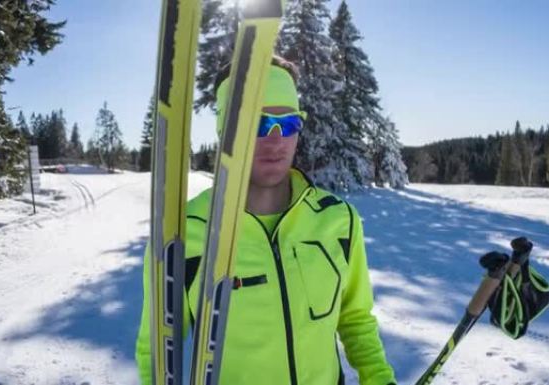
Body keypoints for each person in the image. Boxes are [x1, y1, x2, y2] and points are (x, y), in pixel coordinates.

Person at [136, 56, 396, 385]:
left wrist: (380, 378)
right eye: (257, 124)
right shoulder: (185, 234)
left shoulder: (338, 219)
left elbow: (356, 318)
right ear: (225, 132)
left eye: (288, 124)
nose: (276, 139)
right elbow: (157, 353)